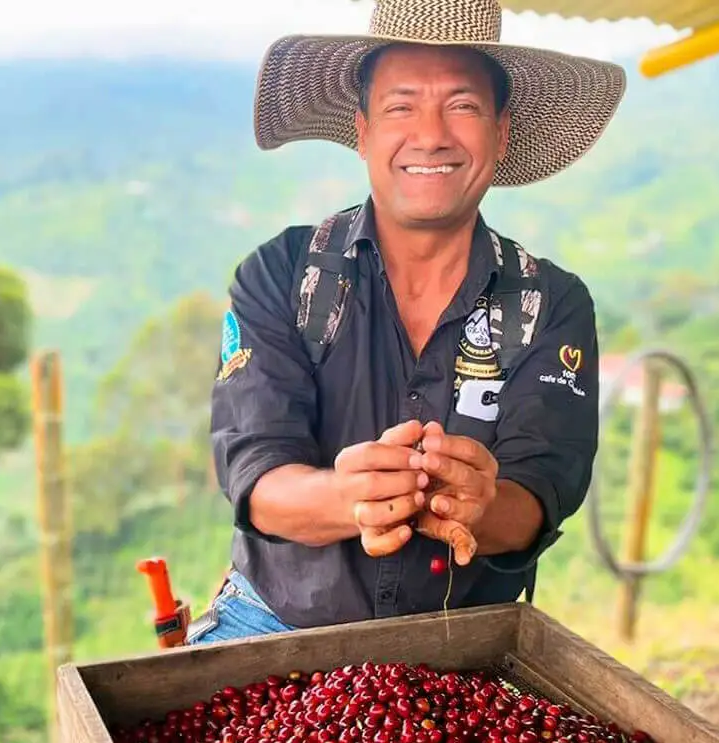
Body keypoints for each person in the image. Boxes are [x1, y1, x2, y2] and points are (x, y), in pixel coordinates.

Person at [187, 0, 627, 645]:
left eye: (462, 105)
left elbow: (541, 490)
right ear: (361, 130)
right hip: (272, 623)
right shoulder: (283, 276)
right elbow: (256, 475)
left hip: (467, 642)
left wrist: (480, 503)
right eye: (400, 106)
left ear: (502, 133)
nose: (430, 135)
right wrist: (349, 497)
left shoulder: (550, 303)